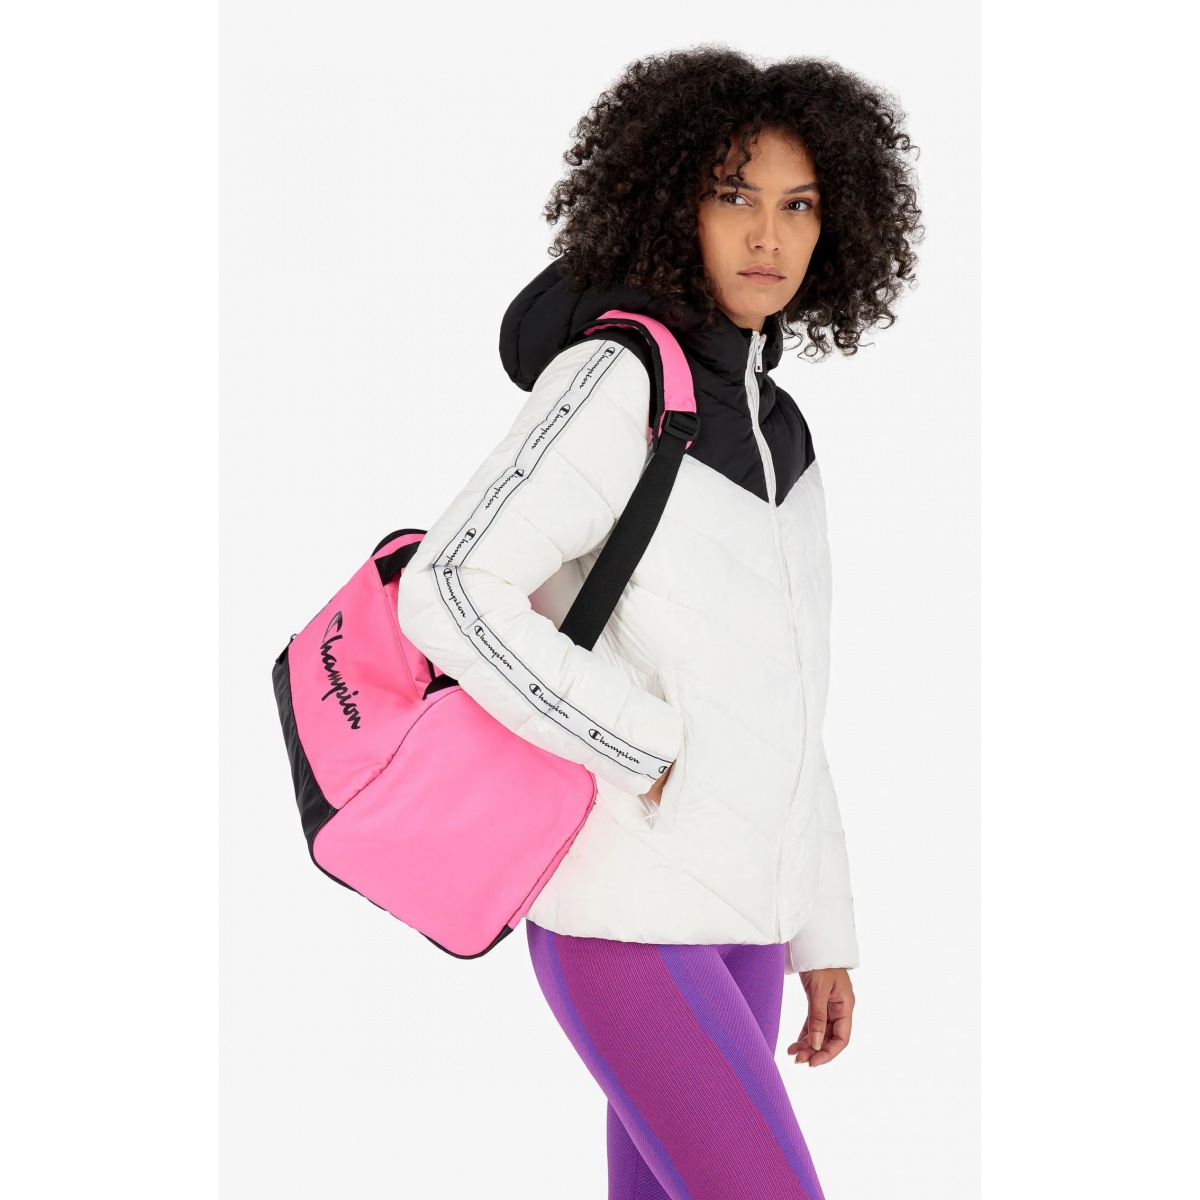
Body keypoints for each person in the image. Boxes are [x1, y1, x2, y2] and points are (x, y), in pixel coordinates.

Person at [397, 46, 922, 1200]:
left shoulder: (783, 434)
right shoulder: (618, 382)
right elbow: (449, 587)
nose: (768, 236)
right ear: (674, 202)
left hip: (747, 924)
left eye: (799, 205)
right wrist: (644, 746)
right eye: (735, 196)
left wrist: (819, 927)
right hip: (627, 912)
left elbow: (790, 702)